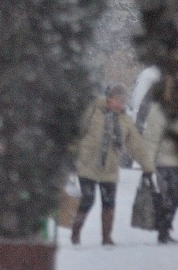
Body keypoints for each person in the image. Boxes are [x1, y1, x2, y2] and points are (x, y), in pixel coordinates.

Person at [71, 83, 155, 246]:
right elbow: (78, 132)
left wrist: (147, 165)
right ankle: (76, 233)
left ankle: (106, 237)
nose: (119, 104)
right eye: (116, 100)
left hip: (110, 168)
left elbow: (136, 145)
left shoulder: (125, 121)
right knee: (88, 200)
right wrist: (71, 155)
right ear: (109, 98)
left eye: (122, 101)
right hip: (88, 165)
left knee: (109, 203)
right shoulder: (94, 110)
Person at [143, 75, 178, 244]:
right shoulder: (159, 110)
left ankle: (165, 228)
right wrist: (147, 165)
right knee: (168, 196)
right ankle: (163, 230)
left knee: (175, 197)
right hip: (164, 161)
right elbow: (151, 138)